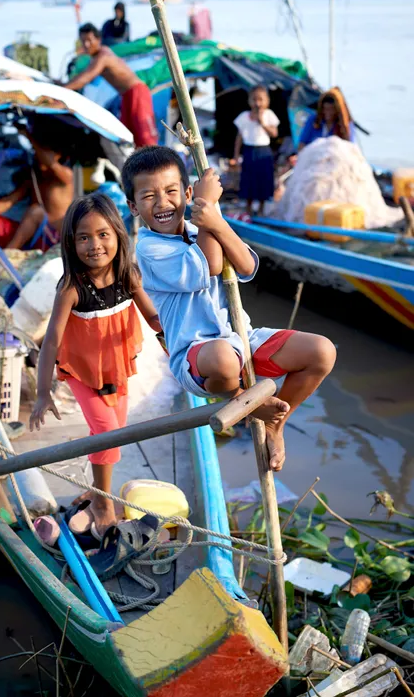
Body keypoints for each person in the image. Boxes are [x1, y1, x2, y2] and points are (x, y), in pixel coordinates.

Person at [123, 146, 336, 471]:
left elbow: (248, 265)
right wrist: (206, 209)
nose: (163, 203)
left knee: (321, 352)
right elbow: (210, 265)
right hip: (197, 358)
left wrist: (215, 221)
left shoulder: (200, 228)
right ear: (133, 206)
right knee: (223, 357)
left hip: (241, 339)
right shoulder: (149, 248)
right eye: (149, 196)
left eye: (171, 191)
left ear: (187, 192)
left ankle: (276, 422)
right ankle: (248, 403)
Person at [29, 192, 161, 534]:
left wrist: (181, 344)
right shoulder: (72, 287)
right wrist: (43, 393)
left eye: (103, 234)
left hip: (117, 366)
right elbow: (51, 343)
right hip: (82, 371)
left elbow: (155, 318)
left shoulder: (127, 275)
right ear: (71, 243)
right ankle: (103, 501)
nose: (95, 245)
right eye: (83, 237)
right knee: (106, 433)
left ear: (118, 234)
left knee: (108, 435)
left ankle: (94, 488)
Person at [0, 127, 73, 252]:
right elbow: (8, 201)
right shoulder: (34, 177)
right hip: (32, 234)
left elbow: (50, 162)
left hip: (53, 239)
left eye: (43, 150)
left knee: (36, 211)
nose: (37, 153)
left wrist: (28, 136)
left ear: (59, 155)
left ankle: (8, 255)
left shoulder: (65, 176)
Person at [63, 23, 158, 148]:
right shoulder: (96, 58)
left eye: (89, 40)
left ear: (98, 40)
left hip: (137, 92)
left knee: (145, 138)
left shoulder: (103, 56)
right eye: (83, 41)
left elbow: (85, 78)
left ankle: (155, 165)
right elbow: (80, 77)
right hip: (126, 96)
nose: (86, 45)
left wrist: (59, 91)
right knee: (129, 137)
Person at [230, 85, 279, 218]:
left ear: (266, 101)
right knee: (249, 179)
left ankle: (262, 209)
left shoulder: (269, 115)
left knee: (263, 179)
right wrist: (235, 155)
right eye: (254, 99)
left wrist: (262, 122)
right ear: (250, 101)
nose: (257, 103)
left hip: (263, 151)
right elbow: (239, 137)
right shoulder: (244, 116)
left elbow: (274, 133)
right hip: (249, 151)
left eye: (260, 99)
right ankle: (248, 208)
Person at [298, 87, 355, 151]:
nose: (327, 112)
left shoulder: (346, 125)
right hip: (313, 158)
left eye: (331, 109)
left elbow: (350, 148)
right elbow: (302, 143)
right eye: (325, 109)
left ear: (337, 110)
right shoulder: (313, 120)